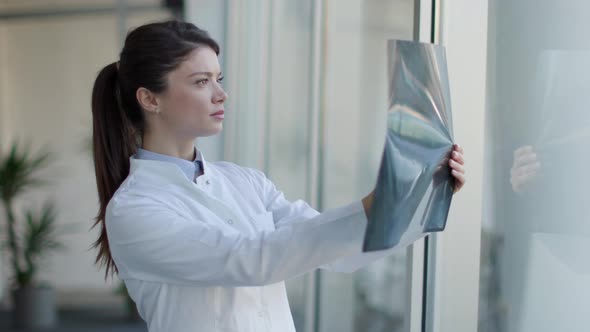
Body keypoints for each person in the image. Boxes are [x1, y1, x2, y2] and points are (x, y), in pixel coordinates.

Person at [90, 20, 466, 332]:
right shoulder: (134, 209)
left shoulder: (246, 182)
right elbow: (252, 260)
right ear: (150, 99)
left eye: (220, 79)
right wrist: (377, 202)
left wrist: (425, 192)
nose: (221, 94)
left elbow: (335, 252)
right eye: (201, 81)